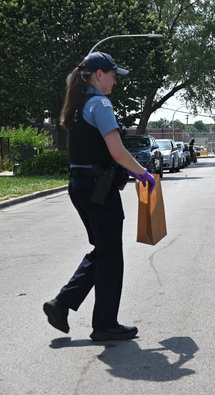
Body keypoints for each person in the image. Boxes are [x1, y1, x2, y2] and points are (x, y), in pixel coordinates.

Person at [43, 51, 156, 341]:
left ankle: (63, 304)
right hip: (99, 189)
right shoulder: (100, 104)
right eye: (113, 74)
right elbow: (117, 151)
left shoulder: (77, 104)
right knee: (110, 255)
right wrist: (143, 173)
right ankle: (104, 324)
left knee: (103, 250)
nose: (116, 81)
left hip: (80, 187)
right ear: (99, 74)